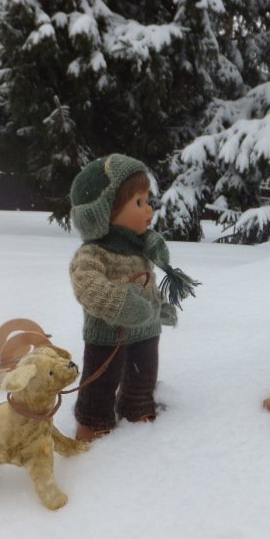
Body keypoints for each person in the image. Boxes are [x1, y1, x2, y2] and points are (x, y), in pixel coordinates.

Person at [68, 153, 198, 441]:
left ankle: (137, 408)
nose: (148, 209)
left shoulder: (140, 250)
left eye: (147, 200)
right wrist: (119, 303)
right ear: (104, 212)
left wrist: (159, 307)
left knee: (143, 374)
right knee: (101, 380)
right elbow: (87, 285)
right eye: (138, 202)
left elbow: (148, 285)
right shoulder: (93, 254)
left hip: (145, 331)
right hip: (108, 335)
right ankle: (93, 421)